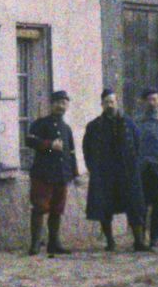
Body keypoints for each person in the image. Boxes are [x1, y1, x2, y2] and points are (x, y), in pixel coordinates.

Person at [82, 89, 146, 251]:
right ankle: (110, 241)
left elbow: (138, 146)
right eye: (106, 102)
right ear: (102, 105)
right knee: (105, 208)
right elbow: (87, 150)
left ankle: (138, 241)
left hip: (127, 172)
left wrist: (134, 166)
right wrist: (94, 169)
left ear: (117, 103)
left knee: (134, 205)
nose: (109, 105)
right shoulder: (94, 126)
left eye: (112, 101)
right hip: (105, 173)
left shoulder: (129, 124)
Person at [26, 89, 78, 257]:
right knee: (40, 208)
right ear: (51, 104)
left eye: (64, 103)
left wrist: (74, 173)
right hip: (43, 174)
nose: (61, 106)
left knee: (57, 209)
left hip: (61, 174)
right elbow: (30, 141)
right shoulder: (41, 124)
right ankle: (35, 244)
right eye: (57, 103)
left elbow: (71, 152)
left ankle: (54, 243)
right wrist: (49, 145)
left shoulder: (66, 129)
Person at [131, 88, 158, 248]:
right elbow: (133, 144)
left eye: (155, 99)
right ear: (144, 102)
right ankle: (140, 235)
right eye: (149, 100)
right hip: (142, 168)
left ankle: (155, 236)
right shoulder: (137, 121)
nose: (152, 103)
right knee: (141, 204)